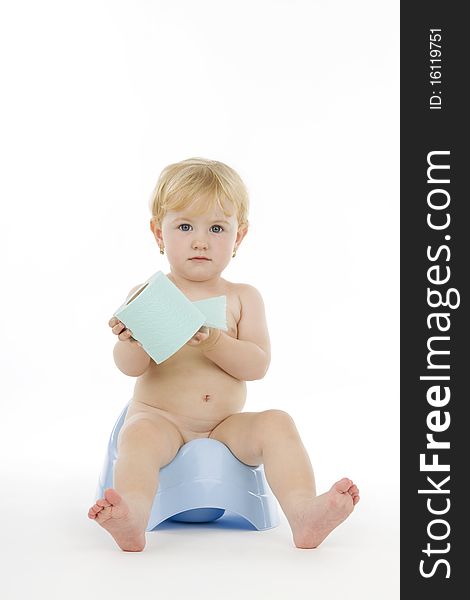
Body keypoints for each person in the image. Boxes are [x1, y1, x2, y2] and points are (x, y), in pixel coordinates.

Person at [88, 157, 360, 552]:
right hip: (162, 419)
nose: (201, 241)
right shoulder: (150, 295)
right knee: (138, 435)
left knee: (277, 422)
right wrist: (132, 342)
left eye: (217, 228)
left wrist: (216, 342)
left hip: (223, 425)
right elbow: (130, 368)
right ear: (158, 233)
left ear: (239, 236)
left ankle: (303, 513)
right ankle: (133, 515)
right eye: (185, 227)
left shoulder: (242, 297)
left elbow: (257, 365)